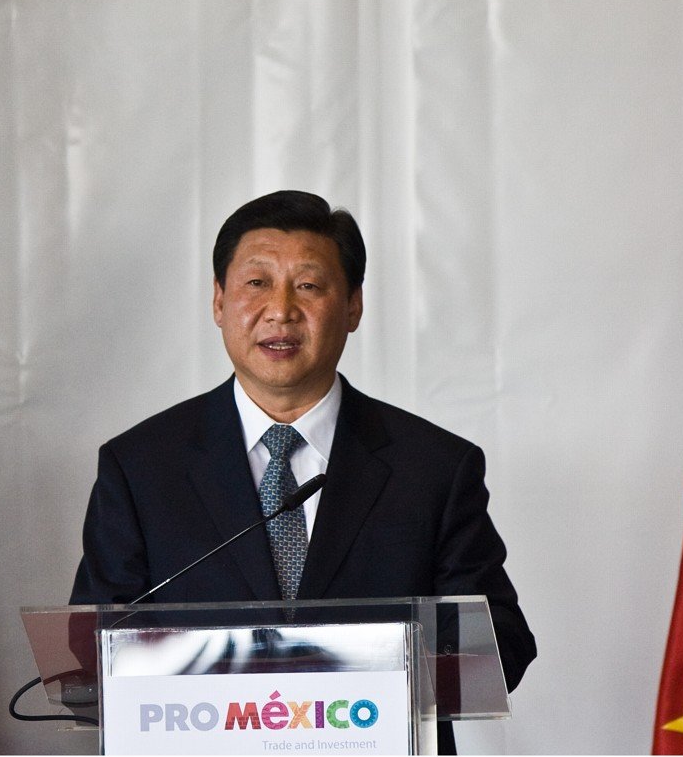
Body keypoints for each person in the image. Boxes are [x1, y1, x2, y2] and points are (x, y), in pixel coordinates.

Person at [70, 190, 536, 750]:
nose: (281, 309)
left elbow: (501, 645)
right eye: (256, 283)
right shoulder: (141, 467)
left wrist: (362, 677)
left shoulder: (434, 467)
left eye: (309, 286)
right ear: (219, 301)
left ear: (354, 305)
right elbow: (88, 657)